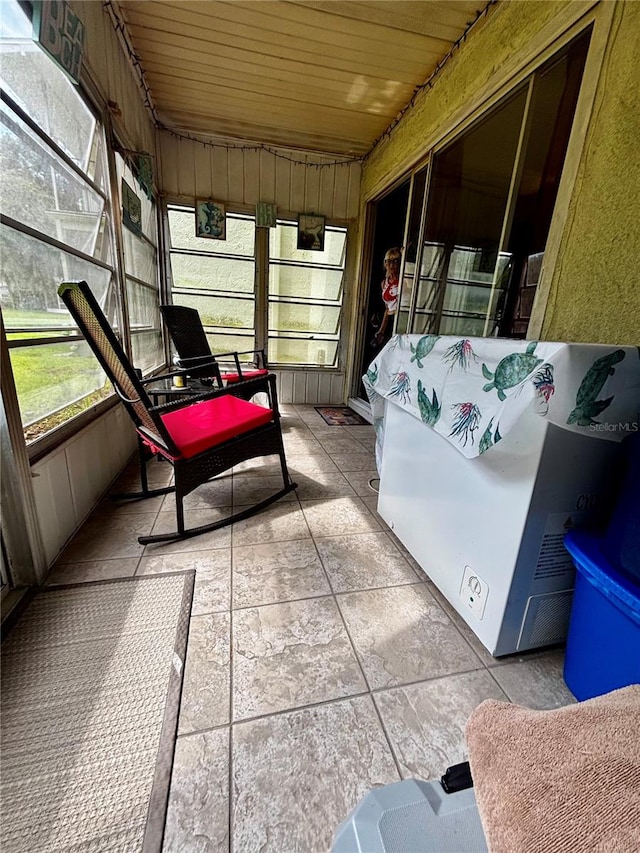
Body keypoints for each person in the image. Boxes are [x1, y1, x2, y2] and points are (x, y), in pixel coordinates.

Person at [372, 247, 402, 347]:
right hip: (390, 320)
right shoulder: (384, 283)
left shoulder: (403, 280)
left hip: (401, 318)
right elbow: (387, 309)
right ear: (385, 263)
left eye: (395, 261)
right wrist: (381, 331)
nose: (392, 265)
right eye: (388, 261)